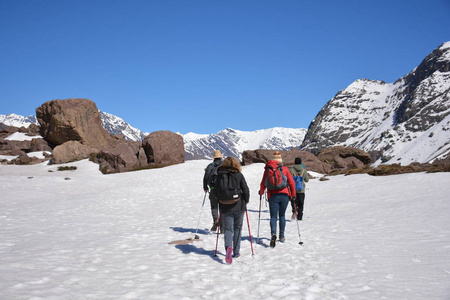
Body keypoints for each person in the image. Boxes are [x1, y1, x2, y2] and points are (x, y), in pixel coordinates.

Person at [259, 151, 296, 248]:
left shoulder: (268, 169)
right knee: (282, 215)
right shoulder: (284, 169)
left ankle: (273, 234)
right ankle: (282, 235)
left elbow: (263, 182)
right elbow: (291, 182)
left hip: (272, 196)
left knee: (273, 216)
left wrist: (261, 192)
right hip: (284, 195)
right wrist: (293, 194)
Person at [216, 156, 250, 261]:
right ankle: (236, 251)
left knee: (228, 229)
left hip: (225, 207)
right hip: (239, 206)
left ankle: (228, 248)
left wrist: (219, 202)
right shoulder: (239, 175)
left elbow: (215, 191)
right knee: (237, 228)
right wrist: (246, 200)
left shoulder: (219, 176)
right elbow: (246, 190)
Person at [203, 150, 223, 231]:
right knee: (223, 207)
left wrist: (205, 187)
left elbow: (205, 178)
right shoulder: (224, 165)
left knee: (214, 207)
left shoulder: (210, 166)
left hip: (213, 189)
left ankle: (215, 220)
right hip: (223, 190)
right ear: (220, 157)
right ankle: (222, 227)